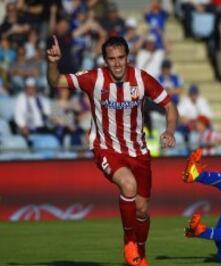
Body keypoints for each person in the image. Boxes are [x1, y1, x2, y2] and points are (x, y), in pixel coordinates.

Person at [46, 35, 178, 266]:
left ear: (127, 57)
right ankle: (129, 240)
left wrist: (170, 130)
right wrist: (53, 62)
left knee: (143, 211)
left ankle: (140, 254)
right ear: (105, 60)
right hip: (106, 148)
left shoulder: (142, 79)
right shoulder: (94, 78)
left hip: (139, 151)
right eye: (111, 59)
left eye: (121, 58)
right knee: (128, 185)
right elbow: (55, 81)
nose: (116, 63)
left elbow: (169, 104)